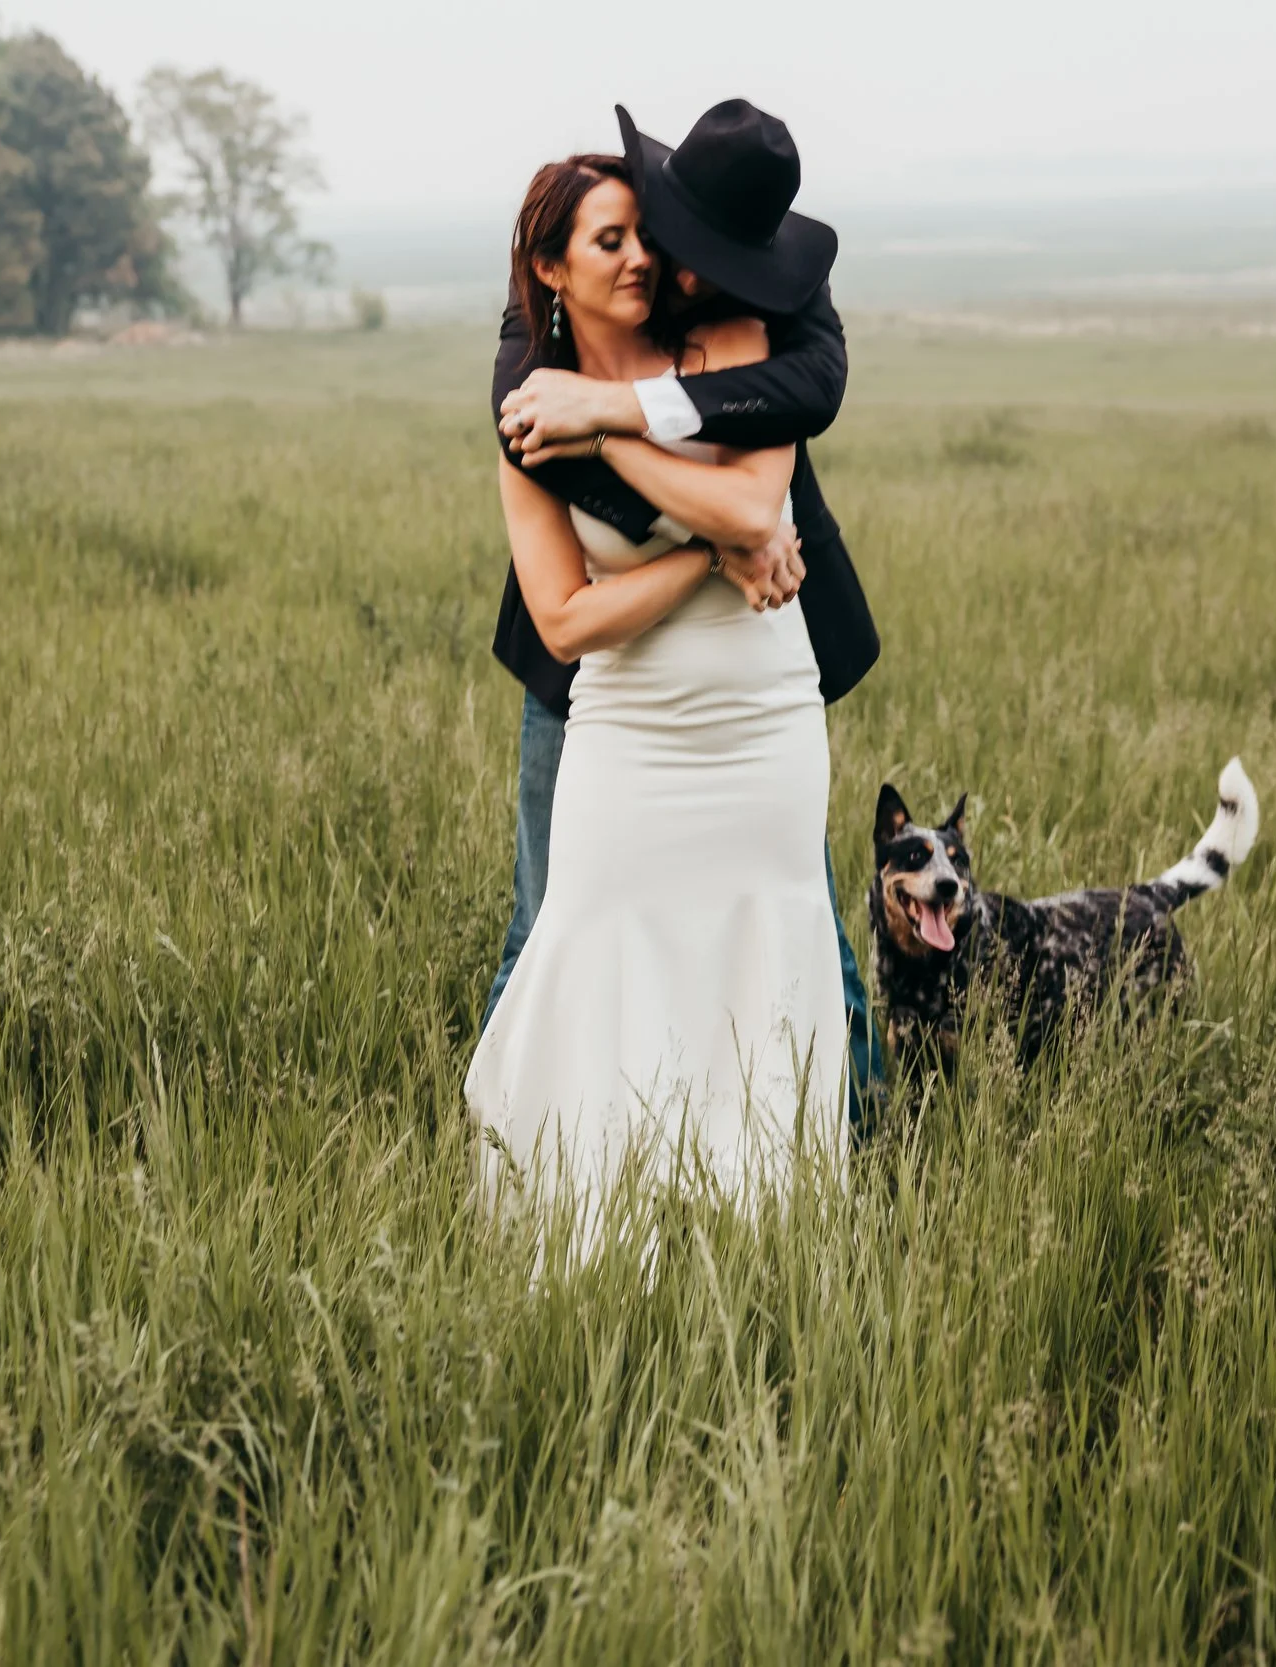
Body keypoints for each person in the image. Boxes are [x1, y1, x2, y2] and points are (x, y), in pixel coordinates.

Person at [464, 111, 862, 1238]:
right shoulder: (525, 381)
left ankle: (792, 1199)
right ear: (552, 268)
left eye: (648, 236)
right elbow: (570, 610)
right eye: (613, 241)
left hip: (761, 705)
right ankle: (580, 1204)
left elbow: (754, 496)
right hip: (618, 715)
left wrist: (603, 421)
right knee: (570, 933)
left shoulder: (739, 319)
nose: (646, 259)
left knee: (783, 942)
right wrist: (709, 550)